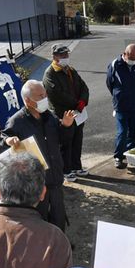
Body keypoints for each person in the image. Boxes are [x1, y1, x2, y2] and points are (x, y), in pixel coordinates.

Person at [3, 79, 76, 231]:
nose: (45, 99)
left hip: (55, 179)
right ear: (28, 100)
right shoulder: (17, 122)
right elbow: (3, 146)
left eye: (45, 95)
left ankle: (59, 247)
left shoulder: (49, 117)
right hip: (35, 185)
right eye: (40, 96)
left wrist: (66, 126)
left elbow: (63, 140)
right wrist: (8, 140)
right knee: (38, 224)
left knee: (58, 219)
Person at [43, 44, 89, 181]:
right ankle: (66, 170)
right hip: (62, 114)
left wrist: (83, 101)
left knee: (77, 141)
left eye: (66, 55)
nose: (65, 57)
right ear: (54, 56)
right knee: (66, 143)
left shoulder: (71, 70)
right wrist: (76, 103)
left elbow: (83, 86)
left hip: (78, 113)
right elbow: (57, 95)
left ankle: (76, 166)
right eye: (62, 55)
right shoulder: (50, 73)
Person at [106, 43, 135, 168]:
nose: (133, 61)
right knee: (122, 132)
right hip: (121, 106)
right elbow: (109, 83)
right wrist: (118, 96)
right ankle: (118, 156)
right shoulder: (115, 64)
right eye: (131, 58)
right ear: (125, 54)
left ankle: (130, 153)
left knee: (133, 131)